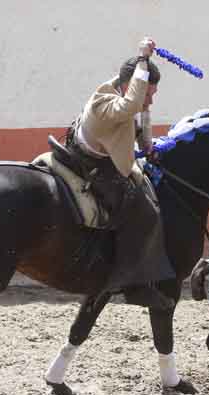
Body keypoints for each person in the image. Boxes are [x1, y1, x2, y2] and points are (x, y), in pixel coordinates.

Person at [62, 37, 175, 310]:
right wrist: (142, 57)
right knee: (145, 212)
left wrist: (147, 143)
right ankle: (131, 285)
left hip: (100, 155)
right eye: (148, 92)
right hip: (91, 164)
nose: (150, 98)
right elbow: (134, 105)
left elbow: (142, 108)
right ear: (128, 86)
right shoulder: (108, 104)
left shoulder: (124, 89)